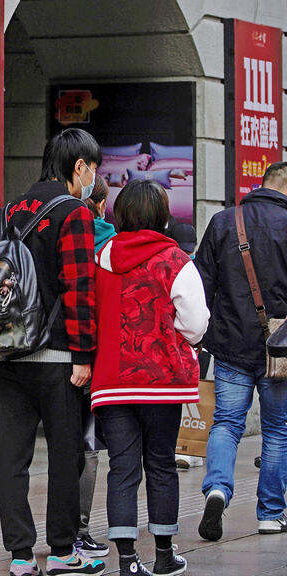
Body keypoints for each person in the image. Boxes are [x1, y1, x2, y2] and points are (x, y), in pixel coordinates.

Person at [0, 128, 104, 576]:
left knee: (12, 458)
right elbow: (79, 289)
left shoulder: (4, 214)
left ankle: (21, 556)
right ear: (79, 167)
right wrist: (84, 355)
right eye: (94, 169)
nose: (94, 178)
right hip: (59, 359)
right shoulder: (74, 213)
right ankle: (65, 552)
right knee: (65, 456)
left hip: (9, 358)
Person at [91, 179, 209, 576]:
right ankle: (162, 555)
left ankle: (126, 561)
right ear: (161, 215)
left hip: (110, 378)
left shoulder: (102, 256)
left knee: (122, 468)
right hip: (161, 381)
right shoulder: (175, 259)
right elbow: (195, 323)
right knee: (160, 464)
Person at [195, 161, 287, 540]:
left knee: (227, 424)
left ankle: (217, 489)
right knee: (278, 430)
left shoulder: (223, 221)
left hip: (230, 345)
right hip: (279, 351)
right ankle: (270, 513)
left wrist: (202, 338)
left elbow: (201, 284)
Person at [75, 175, 114, 559]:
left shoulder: (55, 229)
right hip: (95, 357)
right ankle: (79, 530)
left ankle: (54, 533)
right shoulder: (109, 244)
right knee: (88, 446)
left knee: (62, 446)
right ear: (101, 204)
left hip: (52, 352)